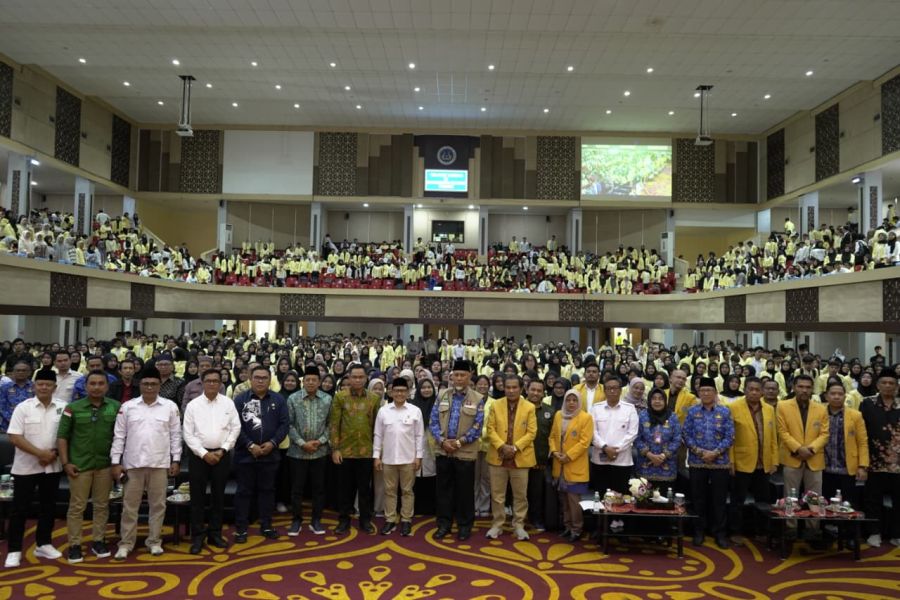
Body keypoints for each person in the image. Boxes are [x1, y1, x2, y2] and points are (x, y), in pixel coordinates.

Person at [110, 365, 182, 560]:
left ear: (160, 385)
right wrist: (115, 462)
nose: (150, 387)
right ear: (139, 384)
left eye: (154, 384)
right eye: (146, 383)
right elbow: (119, 437)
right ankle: (126, 543)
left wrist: (176, 459)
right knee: (129, 507)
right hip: (132, 465)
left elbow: (176, 435)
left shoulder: (170, 407)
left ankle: (154, 541)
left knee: (158, 506)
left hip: (160, 464)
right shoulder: (128, 407)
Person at [57, 370, 119, 563]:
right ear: (85, 386)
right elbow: (62, 437)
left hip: (105, 465)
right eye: (93, 383)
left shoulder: (116, 407)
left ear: (107, 387)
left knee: (101, 505)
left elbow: (121, 437)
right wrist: (66, 463)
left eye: (101, 383)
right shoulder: (72, 408)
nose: (97, 387)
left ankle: (98, 540)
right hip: (79, 466)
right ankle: (75, 545)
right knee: (77, 507)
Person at [3, 370, 64, 568]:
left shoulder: (63, 407)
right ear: (34, 386)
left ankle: (43, 543)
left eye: (48, 384)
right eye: (40, 384)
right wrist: (41, 454)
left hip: (52, 466)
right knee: (19, 510)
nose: (44, 387)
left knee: (48, 507)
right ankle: (14, 550)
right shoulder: (23, 408)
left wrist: (52, 454)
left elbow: (67, 435)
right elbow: (15, 437)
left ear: (54, 387)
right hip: (26, 468)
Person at [182, 368, 241, 554]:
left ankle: (215, 534)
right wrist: (203, 453)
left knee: (218, 497)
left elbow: (235, 428)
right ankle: (197, 537)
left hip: (222, 455)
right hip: (198, 456)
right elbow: (187, 434)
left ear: (221, 384)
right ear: (202, 382)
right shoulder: (193, 405)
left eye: (216, 381)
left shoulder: (228, 404)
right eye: (209, 381)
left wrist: (223, 449)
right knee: (197, 498)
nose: (213, 384)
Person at [430, 359, 485, 541]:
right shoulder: (442, 395)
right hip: (443, 450)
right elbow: (433, 421)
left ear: (469, 377)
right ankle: (444, 524)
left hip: (465, 453)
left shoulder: (477, 399)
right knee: (443, 490)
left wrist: (459, 443)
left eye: (463, 375)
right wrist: (442, 441)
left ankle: (464, 525)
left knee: (464, 491)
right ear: (451, 376)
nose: (459, 378)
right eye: (456, 375)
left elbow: (477, 427)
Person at [233, 366, 289, 542]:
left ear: (270, 379)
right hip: (245, 455)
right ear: (250, 378)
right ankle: (241, 528)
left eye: (264, 378)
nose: (260, 381)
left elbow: (284, 425)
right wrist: (250, 445)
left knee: (267, 491)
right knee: (244, 492)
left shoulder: (279, 400)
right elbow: (235, 426)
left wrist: (272, 444)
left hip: (270, 455)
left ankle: (266, 525)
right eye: (257, 377)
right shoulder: (241, 400)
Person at [683, 377, 734, 549]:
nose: (705, 393)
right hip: (698, 462)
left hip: (720, 462)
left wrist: (715, 452)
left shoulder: (725, 411)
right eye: (702, 391)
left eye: (709, 391)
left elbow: (730, 436)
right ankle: (699, 531)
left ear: (715, 393)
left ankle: (719, 533)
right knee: (698, 499)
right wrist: (700, 452)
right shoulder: (691, 411)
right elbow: (686, 435)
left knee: (719, 499)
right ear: (698, 393)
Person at [776, 373, 829, 541]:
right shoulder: (782, 406)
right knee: (790, 497)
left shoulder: (821, 408)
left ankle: (813, 530)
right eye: (801, 387)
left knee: (815, 498)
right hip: (792, 458)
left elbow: (825, 434)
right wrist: (799, 449)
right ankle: (790, 529)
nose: (804, 390)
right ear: (793, 387)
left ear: (812, 389)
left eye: (807, 387)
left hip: (814, 458)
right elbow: (782, 432)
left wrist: (810, 450)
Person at [330, 364, 381, 535]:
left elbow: (376, 426)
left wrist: (377, 452)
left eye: (361, 377)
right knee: (344, 489)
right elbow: (334, 424)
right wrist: (335, 449)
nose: (358, 380)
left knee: (365, 489)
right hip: (345, 451)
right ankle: (343, 520)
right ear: (349, 378)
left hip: (366, 451)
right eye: (355, 377)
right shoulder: (340, 397)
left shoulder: (374, 398)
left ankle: (365, 520)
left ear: (366, 378)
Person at [485, 374, 537, 541]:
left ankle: (519, 525)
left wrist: (515, 447)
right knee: (497, 494)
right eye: (508, 387)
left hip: (520, 457)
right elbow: (490, 429)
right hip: (498, 456)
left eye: (515, 387)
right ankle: (497, 524)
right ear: (503, 388)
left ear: (521, 388)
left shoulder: (529, 407)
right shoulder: (495, 405)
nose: (511, 390)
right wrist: (502, 446)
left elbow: (531, 432)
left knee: (520, 495)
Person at [727, 377, 778, 545]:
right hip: (742, 462)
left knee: (763, 500)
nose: (754, 392)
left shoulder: (769, 409)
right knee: (737, 500)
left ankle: (762, 531)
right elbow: (730, 438)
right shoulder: (733, 407)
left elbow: (773, 437)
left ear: (762, 391)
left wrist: (774, 461)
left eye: (757, 389)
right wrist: (731, 461)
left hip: (764, 462)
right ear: (745, 389)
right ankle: (735, 531)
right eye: (751, 389)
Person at [373, 377, 424, 536]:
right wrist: (376, 456)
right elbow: (378, 435)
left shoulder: (415, 411)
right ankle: (390, 520)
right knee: (389, 491)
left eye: (403, 391)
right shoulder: (383, 410)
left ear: (408, 393)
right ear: (391, 392)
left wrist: (418, 456)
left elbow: (419, 436)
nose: (400, 393)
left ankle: (406, 520)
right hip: (388, 459)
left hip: (409, 459)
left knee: (407, 491)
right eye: (397, 391)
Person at [286, 365, 331, 536]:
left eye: (314, 380)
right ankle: (296, 520)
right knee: (297, 489)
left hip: (319, 452)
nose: (311, 382)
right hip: (297, 452)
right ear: (303, 381)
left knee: (319, 488)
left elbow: (330, 425)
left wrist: (318, 442)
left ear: (319, 382)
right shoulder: (293, 399)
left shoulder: (327, 399)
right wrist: (302, 443)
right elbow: (288, 424)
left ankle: (316, 520)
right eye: (307, 380)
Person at [860, 368, 899, 548]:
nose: (888, 386)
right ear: (878, 385)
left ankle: (896, 535)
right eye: (884, 382)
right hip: (874, 460)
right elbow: (861, 432)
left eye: (892, 383)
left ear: (897, 386)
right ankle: (874, 532)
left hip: (898, 463)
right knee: (872, 499)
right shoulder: (867, 404)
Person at [550, 389, 593, 542]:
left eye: (575, 400)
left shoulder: (586, 418)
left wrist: (568, 456)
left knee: (574, 501)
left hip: (575, 465)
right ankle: (567, 527)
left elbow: (584, 442)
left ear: (579, 402)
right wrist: (555, 451)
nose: (571, 403)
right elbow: (553, 437)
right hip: (559, 464)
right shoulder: (558, 415)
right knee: (564, 500)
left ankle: (577, 528)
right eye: (568, 400)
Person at [821, 381, 868, 512]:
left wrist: (862, 466)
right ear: (826, 396)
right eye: (833, 394)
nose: (836, 396)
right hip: (823, 468)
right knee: (825, 505)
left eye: (840, 394)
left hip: (847, 469)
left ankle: (846, 532)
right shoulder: (818, 412)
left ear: (845, 396)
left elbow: (862, 442)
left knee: (847, 506)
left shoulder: (855, 415)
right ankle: (825, 531)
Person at [589, 377, 639, 499]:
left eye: (615, 388)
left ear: (620, 390)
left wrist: (616, 450)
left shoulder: (630, 409)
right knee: (601, 496)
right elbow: (591, 431)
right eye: (609, 388)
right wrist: (605, 448)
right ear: (604, 391)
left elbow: (632, 433)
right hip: (600, 461)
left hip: (622, 462)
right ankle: (602, 519)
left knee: (621, 497)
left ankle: (618, 519)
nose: (612, 391)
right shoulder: (596, 408)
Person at [526, 378, 557, 533]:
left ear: (543, 393)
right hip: (519, 458)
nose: (535, 393)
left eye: (539, 391)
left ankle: (536, 519)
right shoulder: (518, 407)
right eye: (533, 390)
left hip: (540, 459)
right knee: (519, 492)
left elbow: (553, 435)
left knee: (537, 492)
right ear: (527, 390)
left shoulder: (549, 411)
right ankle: (519, 520)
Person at [634, 387, 681, 487]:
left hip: (667, 465)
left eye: (660, 398)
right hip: (645, 465)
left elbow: (677, 439)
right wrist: (649, 455)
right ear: (649, 400)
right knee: (644, 499)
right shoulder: (642, 415)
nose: (657, 401)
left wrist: (663, 456)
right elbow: (636, 438)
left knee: (665, 499)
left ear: (665, 400)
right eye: (654, 398)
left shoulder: (672, 416)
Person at [0, 361, 35, 432]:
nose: (20, 372)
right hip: (8, 425)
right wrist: (12, 420)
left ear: (29, 373)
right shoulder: (4, 387)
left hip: (30, 424)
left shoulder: (35, 387)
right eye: (18, 370)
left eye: (24, 370)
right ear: (13, 372)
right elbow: (1, 407)